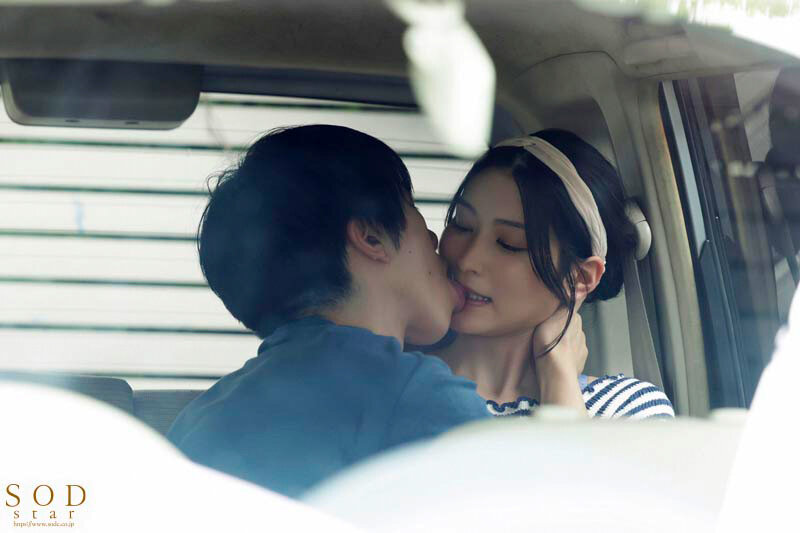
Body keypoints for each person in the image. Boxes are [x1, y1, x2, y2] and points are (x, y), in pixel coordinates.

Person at [167, 124, 494, 498]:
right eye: (413, 210)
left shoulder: (197, 418)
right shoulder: (416, 393)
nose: (435, 240)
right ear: (372, 237)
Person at [432, 129, 675, 418]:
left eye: (509, 244)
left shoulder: (625, 409)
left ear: (580, 278)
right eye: (462, 225)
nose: (467, 260)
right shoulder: (395, 381)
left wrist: (558, 375)